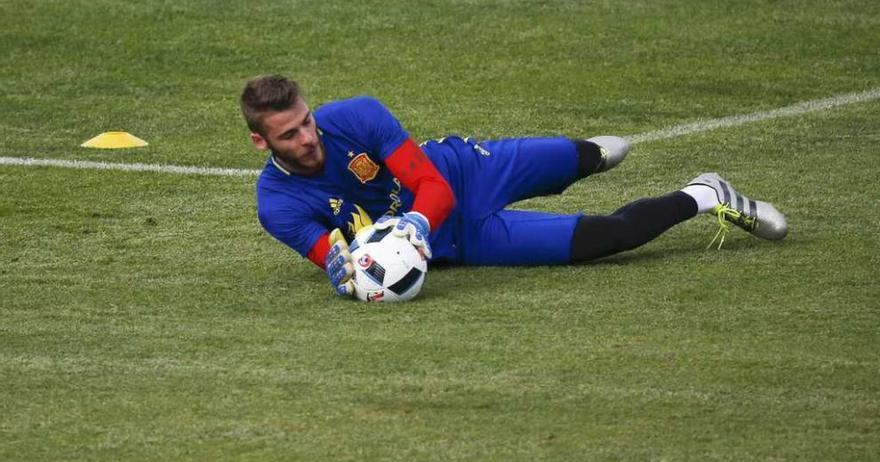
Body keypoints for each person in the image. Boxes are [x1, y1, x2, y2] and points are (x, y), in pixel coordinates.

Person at [240, 75, 787, 297]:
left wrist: (414, 223)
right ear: (262, 143)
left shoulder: (357, 117)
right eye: (291, 133)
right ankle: (707, 193)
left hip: (462, 172)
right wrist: (346, 275)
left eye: (308, 121)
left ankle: (584, 159)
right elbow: (334, 261)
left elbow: (431, 186)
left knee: (592, 154)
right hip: (464, 239)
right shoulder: (276, 205)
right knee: (609, 238)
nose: (310, 138)